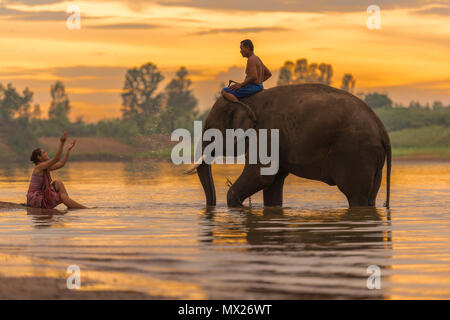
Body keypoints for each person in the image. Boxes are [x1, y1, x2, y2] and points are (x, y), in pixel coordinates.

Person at [27, 131, 87, 209]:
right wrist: (62, 142)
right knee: (62, 196)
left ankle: (68, 202)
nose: (46, 153)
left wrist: (68, 150)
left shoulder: (45, 167)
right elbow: (57, 159)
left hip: (42, 194)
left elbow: (61, 164)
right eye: (44, 153)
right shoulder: (39, 167)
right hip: (36, 198)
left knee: (58, 183)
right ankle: (82, 208)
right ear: (39, 157)